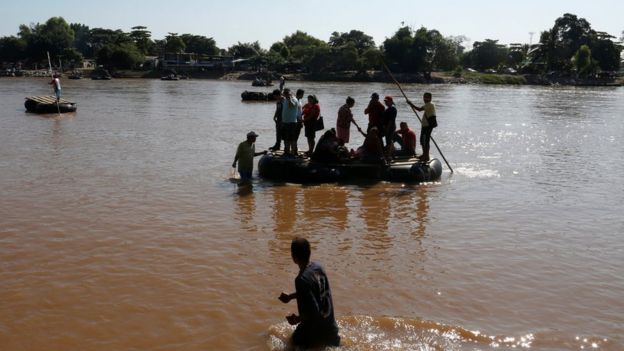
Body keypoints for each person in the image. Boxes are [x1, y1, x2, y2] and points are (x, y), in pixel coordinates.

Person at [279, 237, 340, 348]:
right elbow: (314, 291)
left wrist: (297, 319)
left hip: (313, 334)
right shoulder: (319, 267)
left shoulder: (300, 279)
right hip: (331, 330)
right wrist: (291, 297)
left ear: (294, 257)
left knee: (290, 345)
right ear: (309, 252)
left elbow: (313, 312)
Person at [407, 92, 437, 161]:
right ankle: (424, 154)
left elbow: (419, 109)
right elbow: (421, 109)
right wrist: (411, 104)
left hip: (427, 127)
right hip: (425, 126)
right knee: (423, 141)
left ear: (430, 98)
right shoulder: (427, 105)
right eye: (424, 97)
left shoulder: (430, 104)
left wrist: (410, 104)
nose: (425, 99)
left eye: (427, 97)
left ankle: (426, 156)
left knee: (425, 141)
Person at [281, 89, 299, 157]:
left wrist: (289, 98)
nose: (285, 94)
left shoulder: (294, 99)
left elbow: (292, 105)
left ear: (290, 93)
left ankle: (293, 152)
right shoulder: (285, 99)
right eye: (285, 93)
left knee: (292, 139)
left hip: (292, 122)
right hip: (285, 122)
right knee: (285, 138)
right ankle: (287, 152)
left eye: (287, 93)